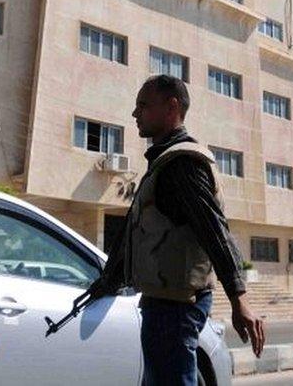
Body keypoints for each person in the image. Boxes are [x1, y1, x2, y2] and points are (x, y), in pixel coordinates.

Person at [92, 74, 265, 385]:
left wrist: (239, 298)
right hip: (165, 302)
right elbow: (137, 233)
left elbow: (213, 229)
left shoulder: (181, 164)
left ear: (171, 107)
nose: (135, 114)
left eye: (143, 106)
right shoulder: (163, 162)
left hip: (175, 306)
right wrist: (109, 281)